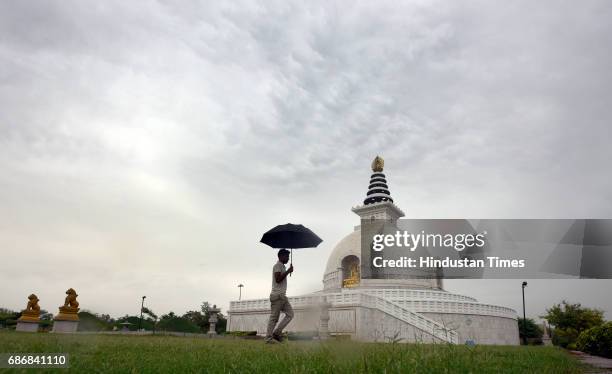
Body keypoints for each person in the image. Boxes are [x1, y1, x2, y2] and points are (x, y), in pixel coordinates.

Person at [265, 248, 294, 343]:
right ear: (281, 256)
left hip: (282, 296)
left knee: (290, 314)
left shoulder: (282, 266)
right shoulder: (277, 265)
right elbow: (278, 279)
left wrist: (287, 270)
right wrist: (288, 271)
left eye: (289, 256)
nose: (288, 259)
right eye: (287, 256)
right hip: (277, 296)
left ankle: (276, 333)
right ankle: (268, 338)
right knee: (274, 318)